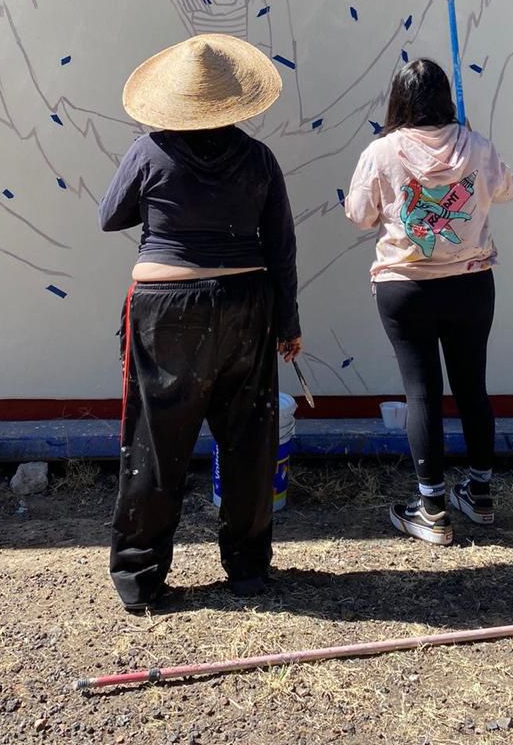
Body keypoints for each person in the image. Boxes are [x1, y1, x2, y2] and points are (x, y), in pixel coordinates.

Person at [99, 33, 303, 612]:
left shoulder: (147, 152)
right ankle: (247, 570)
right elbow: (282, 247)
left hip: (164, 309)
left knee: (155, 440)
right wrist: (288, 322)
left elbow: (109, 217)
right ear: (236, 102)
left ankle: (140, 579)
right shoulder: (260, 158)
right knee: (248, 440)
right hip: (247, 303)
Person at [345, 58, 513, 546]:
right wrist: (475, 158)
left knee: (422, 393)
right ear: (446, 97)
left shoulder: (381, 152)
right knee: (472, 387)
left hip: (407, 287)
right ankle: (480, 496)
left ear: (398, 100)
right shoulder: (476, 147)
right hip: (470, 282)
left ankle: (433, 509)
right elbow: (508, 189)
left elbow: (359, 215)